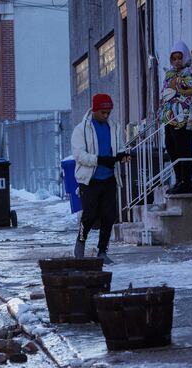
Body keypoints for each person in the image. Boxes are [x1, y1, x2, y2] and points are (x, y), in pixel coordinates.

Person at [71, 93, 127, 265]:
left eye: (108, 112)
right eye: (103, 112)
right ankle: (80, 243)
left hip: (109, 178)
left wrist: (123, 155)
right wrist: (100, 160)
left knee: (109, 216)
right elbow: (79, 155)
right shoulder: (81, 129)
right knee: (89, 215)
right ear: (95, 110)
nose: (106, 115)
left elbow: (120, 146)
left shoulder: (114, 127)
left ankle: (102, 251)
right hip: (90, 180)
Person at [160, 40, 192, 194]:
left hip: (184, 117)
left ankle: (186, 183)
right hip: (170, 117)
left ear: (185, 57)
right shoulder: (169, 73)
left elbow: (190, 88)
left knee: (184, 149)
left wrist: (176, 85)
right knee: (172, 149)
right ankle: (178, 181)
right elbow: (165, 93)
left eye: (180, 57)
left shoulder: (191, 71)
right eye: (174, 58)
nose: (177, 61)